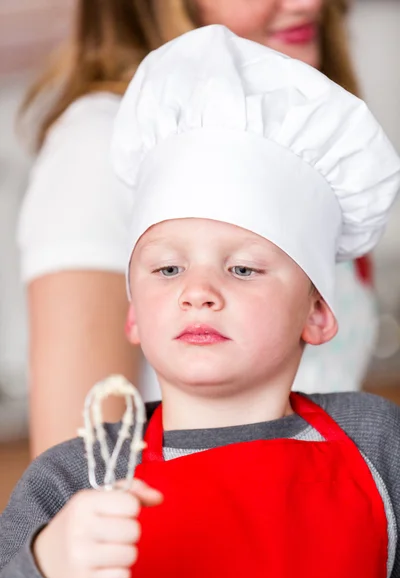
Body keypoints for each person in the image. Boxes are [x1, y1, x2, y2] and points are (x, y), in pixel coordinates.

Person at [3, 26, 400, 578]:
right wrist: (46, 571)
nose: (198, 292)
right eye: (168, 271)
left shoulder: (380, 444)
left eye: (242, 269)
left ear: (317, 313)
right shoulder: (74, 477)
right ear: (133, 315)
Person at [17, 0, 378, 458]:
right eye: (168, 268)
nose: (308, 2)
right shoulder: (98, 148)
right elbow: (79, 474)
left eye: (243, 268)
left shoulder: (302, 151)